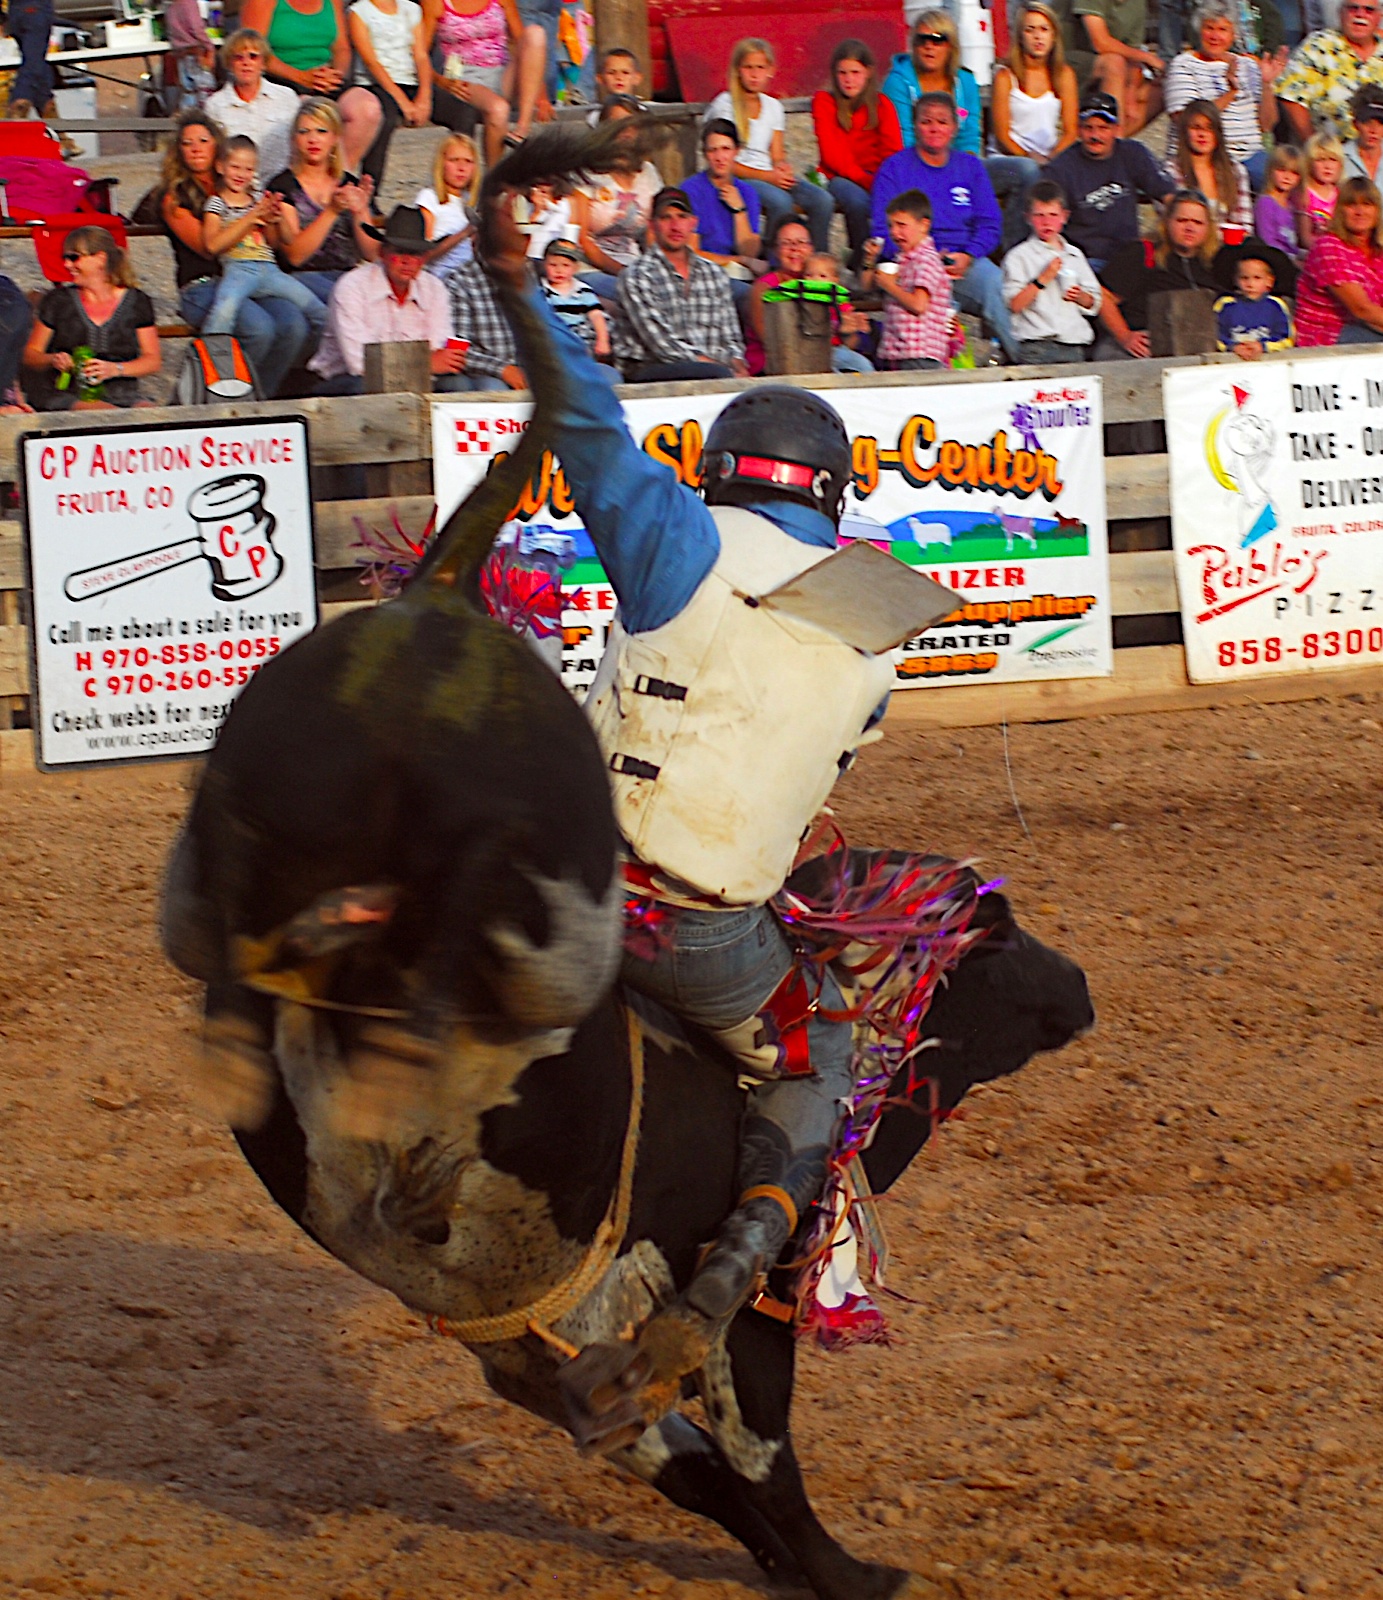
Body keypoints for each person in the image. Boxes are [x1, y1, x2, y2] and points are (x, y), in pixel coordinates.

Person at [484, 191, 904, 1406]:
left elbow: (586, 422)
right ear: (827, 496)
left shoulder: (675, 542)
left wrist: (553, 302)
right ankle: (737, 1276)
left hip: (566, 904)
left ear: (719, 472)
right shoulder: (875, 637)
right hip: (714, 944)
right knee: (828, 1041)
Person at [159, 110, 319, 397]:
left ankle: (264, 394)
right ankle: (216, 390)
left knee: (294, 325)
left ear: (217, 148)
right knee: (260, 330)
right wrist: (250, 217)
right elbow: (207, 248)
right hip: (204, 283)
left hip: (255, 271)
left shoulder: (243, 189)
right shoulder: (177, 196)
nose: (195, 148)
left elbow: (271, 241)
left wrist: (272, 217)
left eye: (203, 140)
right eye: (187, 143)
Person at [870, 92, 1020, 363]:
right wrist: (926, 259)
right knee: (931, 311)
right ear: (915, 126)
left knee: (997, 285)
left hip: (963, 261)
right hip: (913, 263)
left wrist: (970, 254)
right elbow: (882, 230)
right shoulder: (895, 169)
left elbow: (990, 222)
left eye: (942, 121)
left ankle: (1026, 365)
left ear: (953, 127)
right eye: (926, 121)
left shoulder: (970, 167)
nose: (935, 128)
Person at [309, 204, 472, 391]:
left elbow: (439, 349)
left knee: (457, 384)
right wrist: (425, 363)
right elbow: (358, 364)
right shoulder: (352, 286)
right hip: (346, 381)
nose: (407, 261)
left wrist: (431, 362)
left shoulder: (434, 288)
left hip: (412, 378)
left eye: (416, 254)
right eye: (399, 252)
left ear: (425, 258)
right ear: (383, 253)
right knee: (366, 387)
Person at [705, 38, 834, 252]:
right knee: (780, 202)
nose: (754, 74)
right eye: (748, 68)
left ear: (770, 70)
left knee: (822, 200)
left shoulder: (773, 106)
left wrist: (782, 168)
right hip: (739, 175)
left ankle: (815, 258)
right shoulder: (725, 106)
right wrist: (769, 177)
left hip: (768, 173)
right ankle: (773, 258)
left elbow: (776, 153)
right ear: (738, 70)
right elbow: (725, 162)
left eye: (760, 68)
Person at [202, 135, 330, 340]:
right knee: (223, 311)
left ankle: (323, 361)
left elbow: (285, 240)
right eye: (235, 167)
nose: (241, 174)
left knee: (318, 311)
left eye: (248, 169)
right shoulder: (217, 203)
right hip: (239, 268)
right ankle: (212, 360)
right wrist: (252, 217)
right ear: (220, 167)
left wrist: (277, 217)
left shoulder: (258, 200)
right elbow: (212, 245)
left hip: (269, 268)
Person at [613, 186, 746, 382]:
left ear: (693, 223)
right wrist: (716, 367)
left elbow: (731, 337)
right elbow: (662, 344)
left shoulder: (714, 273)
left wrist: (737, 364)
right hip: (651, 368)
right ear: (653, 225)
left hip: (713, 370)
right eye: (666, 218)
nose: (675, 226)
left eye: (682, 217)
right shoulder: (636, 276)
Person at [240, 0, 385, 174]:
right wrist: (301, 77)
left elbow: (341, 48)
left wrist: (335, 74)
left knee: (367, 108)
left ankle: (340, 178)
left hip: (324, 77)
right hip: (281, 77)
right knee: (309, 113)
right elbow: (252, 50)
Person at [22, 226, 160, 410]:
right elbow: (31, 354)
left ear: (100, 259)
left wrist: (115, 369)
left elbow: (152, 360)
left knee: (148, 413)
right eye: (65, 258)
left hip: (122, 393)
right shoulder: (58, 301)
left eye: (74, 258)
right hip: (66, 394)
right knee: (105, 413)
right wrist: (53, 359)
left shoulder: (137, 301)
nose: (67, 265)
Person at [268, 98, 382, 306]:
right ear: (294, 139)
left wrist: (360, 210)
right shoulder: (283, 186)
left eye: (321, 131)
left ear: (335, 138)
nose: (313, 139)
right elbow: (295, 256)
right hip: (301, 278)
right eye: (304, 132)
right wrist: (331, 211)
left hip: (348, 276)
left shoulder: (348, 182)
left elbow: (372, 253)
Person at [1047, 87, 1175, 269]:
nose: (1095, 136)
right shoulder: (1060, 169)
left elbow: (1169, 197)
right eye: (1088, 128)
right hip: (1083, 261)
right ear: (1078, 130)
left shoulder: (1133, 153)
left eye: (1103, 128)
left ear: (1116, 129)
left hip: (1129, 256)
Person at [1162, 0, 1279, 191]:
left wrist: (1266, 84)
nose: (1215, 36)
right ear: (1199, 30)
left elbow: (1267, 125)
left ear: (1233, 35)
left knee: (1286, 179)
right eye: (1210, 28)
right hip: (1202, 155)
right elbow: (1186, 119)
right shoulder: (1184, 64)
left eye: (1223, 30)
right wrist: (1231, 92)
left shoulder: (1248, 66)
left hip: (1249, 155)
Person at [1094, 189, 1222, 357]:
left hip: (1199, 347)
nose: (1189, 227)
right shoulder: (1142, 253)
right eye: (1182, 220)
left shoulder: (1216, 263)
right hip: (1144, 346)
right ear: (1167, 222)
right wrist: (1124, 336)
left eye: (1198, 223)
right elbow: (1103, 296)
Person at [811, 40, 903, 268]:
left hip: (875, 176)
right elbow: (832, 154)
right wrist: (866, 181)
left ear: (868, 73)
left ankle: (890, 261)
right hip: (838, 176)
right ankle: (860, 263)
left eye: (855, 72)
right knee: (858, 201)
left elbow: (892, 151)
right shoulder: (825, 102)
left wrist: (881, 182)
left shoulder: (882, 104)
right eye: (842, 73)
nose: (848, 79)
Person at [1001, 177, 1103, 362]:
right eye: (1039, 216)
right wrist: (1042, 280)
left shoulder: (1074, 255)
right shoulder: (1019, 256)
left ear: (1064, 216)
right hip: (1036, 345)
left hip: (1073, 343)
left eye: (1053, 215)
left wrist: (1079, 296)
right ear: (1028, 218)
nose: (1046, 222)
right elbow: (1014, 305)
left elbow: (1094, 302)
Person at [572, 96, 662, 298]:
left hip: (635, 264)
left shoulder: (648, 172)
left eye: (630, 124)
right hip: (590, 268)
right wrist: (622, 271)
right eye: (616, 124)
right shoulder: (586, 173)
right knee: (635, 295)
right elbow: (582, 239)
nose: (624, 131)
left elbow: (652, 231)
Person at [860, 188, 952, 369]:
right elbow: (866, 287)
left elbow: (919, 304)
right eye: (891, 226)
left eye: (901, 225)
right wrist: (870, 260)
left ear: (923, 225)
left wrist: (889, 286)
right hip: (897, 352)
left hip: (919, 353)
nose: (894, 232)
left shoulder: (926, 260)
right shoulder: (901, 260)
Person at [422, 0, 518, 165]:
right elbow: (419, 55)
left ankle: (522, 128)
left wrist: (542, 93)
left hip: (502, 71)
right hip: (466, 75)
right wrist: (440, 81)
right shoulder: (435, 3)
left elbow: (522, 42)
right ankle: (493, 178)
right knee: (498, 109)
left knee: (535, 35)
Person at [1276, 0, 1383, 145]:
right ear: (1340, 14)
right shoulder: (1319, 44)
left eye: (1368, 10)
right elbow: (1290, 97)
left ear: (1379, 16)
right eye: (1353, 8)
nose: (1360, 14)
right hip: (1328, 155)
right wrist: (1315, 145)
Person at [1294, 175, 1383, 345]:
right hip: (1326, 335)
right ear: (1340, 210)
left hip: (1363, 328)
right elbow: (1361, 309)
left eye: (1367, 204)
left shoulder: (1377, 252)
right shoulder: (1328, 246)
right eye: (1351, 205)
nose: (1359, 212)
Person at [205, 29, 302, 183]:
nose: (246, 63)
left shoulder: (287, 98)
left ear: (263, 63)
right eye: (238, 57)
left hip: (281, 188)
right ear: (229, 64)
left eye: (253, 56)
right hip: (236, 191)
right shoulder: (215, 105)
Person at [882, 10, 983, 155]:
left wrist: (965, 168)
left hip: (958, 164)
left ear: (950, 46)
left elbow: (969, 137)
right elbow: (904, 140)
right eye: (922, 40)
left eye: (937, 40)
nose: (928, 46)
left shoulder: (966, 81)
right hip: (912, 164)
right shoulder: (897, 83)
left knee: (1021, 168)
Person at [682, 119, 764, 292]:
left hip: (739, 271)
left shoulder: (747, 192)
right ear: (705, 154)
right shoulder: (691, 191)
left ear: (736, 151)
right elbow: (691, 252)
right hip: (704, 271)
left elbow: (750, 251)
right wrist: (739, 260)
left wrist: (739, 210)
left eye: (726, 149)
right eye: (713, 150)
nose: (720, 158)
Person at [1067, 0, 1165, 134]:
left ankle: (1115, 140)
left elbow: (1133, 49)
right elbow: (1100, 43)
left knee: (1164, 86)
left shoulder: (1138, 4)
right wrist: (1149, 58)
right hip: (1067, 59)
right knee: (1114, 63)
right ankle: (1112, 144)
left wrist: (1131, 92)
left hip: (1109, 69)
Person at [1163, 99, 1252, 235]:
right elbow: (1171, 222)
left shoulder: (1236, 171)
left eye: (1209, 128)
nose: (1202, 134)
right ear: (1185, 132)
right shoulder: (1171, 171)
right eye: (1196, 127)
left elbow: (1245, 226)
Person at [446, 253, 529, 386]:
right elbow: (456, 351)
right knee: (493, 389)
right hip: (485, 371)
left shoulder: (530, 274)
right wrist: (502, 369)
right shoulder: (460, 280)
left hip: (529, 367)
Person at [744, 214, 812, 374]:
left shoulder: (821, 284)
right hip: (772, 363)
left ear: (811, 248)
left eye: (801, 242)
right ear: (775, 251)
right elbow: (771, 340)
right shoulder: (764, 289)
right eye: (786, 243)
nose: (795, 249)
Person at [539, 237, 616, 374]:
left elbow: (596, 315)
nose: (559, 270)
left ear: (576, 268)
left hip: (582, 337)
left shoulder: (582, 290)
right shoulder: (541, 290)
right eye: (553, 265)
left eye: (565, 265)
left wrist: (602, 340)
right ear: (544, 265)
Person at [1213, 240, 1293, 357]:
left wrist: (1264, 346)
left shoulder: (1276, 305)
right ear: (1236, 280)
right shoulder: (1225, 305)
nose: (1250, 284)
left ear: (1269, 281)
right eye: (1244, 278)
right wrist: (1232, 347)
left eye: (1257, 278)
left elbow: (1287, 338)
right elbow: (1214, 335)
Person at [416, 130, 479, 276]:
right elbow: (424, 253)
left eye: (468, 162)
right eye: (454, 160)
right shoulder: (429, 198)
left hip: (471, 276)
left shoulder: (470, 201)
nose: (461, 168)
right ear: (442, 163)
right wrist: (464, 233)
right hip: (444, 275)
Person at [803, 250, 875, 372]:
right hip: (811, 351)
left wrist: (858, 325)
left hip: (836, 348)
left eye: (822, 276)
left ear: (835, 280)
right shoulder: (801, 300)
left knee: (864, 365)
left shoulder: (839, 302)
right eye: (809, 275)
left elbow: (851, 326)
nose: (815, 280)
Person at [5, 0, 54, 120]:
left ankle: (49, 110)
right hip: (36, 8)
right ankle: (20, 102)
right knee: (33, 63)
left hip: (15, 10)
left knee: (35, 61)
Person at [1254, 142, 1305, 259]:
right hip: (1275, 260)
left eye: (1294, 173)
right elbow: (1267, 241)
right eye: (1282, 170)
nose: (1287, 177)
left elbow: (1293, 244)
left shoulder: (1292, 205)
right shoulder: (1266, 203)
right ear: (1271, 170)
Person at [166, 0, 218, 109]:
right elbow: (196, 28)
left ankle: (188, 117)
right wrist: (209, 46)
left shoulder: (172, 6)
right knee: (205, 90)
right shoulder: (189, 3)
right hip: (196, 52)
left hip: (181, 53)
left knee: (188, 91)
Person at [1302, 130, 1344, 248]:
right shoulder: (1304, 195)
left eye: (1333, 160)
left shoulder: (1342, 195)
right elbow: (1304, 238)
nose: (1327, 166)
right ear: (1309, 163)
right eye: (1320, 160)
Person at [1345, 84, 1383, 182]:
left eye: (1380, 123)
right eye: (1367, 122)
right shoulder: (1339, 157)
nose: (1373, 130)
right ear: (1355, 123)